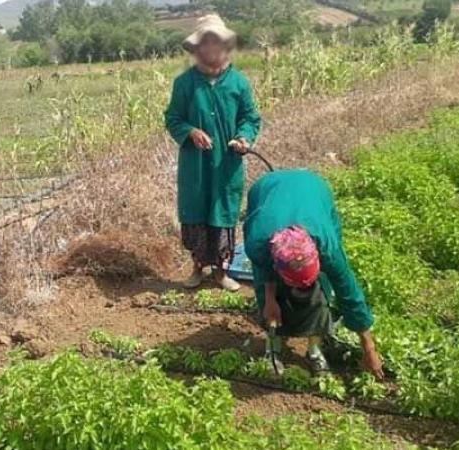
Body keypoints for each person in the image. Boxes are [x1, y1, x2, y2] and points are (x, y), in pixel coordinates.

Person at [243, 169, 384, 379]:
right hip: (267, 189)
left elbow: (348, 291)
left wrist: (369, 348)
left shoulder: (327, 246)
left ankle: (314, 349)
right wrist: (271, 300)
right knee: (269, 300)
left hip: (314, 189)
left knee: (322, 288)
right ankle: (272, 347)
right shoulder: (258, 241)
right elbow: (264, 270)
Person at [165, 14, 262, 292]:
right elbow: (173, 118)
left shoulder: (239, 83)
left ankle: (221, 272)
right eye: (205, 44)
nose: (211, 49)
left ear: (224, 47)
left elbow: (250, 117)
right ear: (197, 49)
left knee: (223, 211)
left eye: (215, 43)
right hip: (195, 166)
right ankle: (198, 267)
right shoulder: (184, 84)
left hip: (226, 163)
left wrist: (244, 137)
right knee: (196, 213)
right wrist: (190, 132)